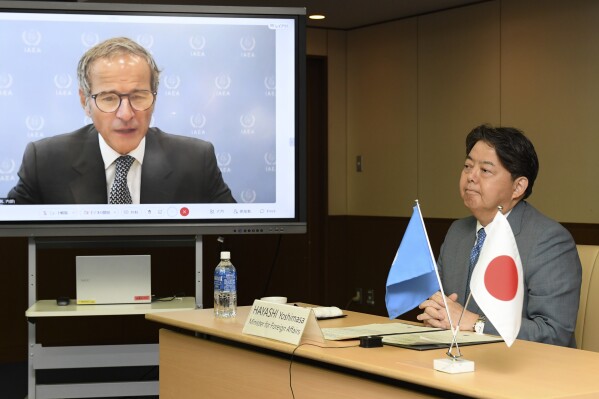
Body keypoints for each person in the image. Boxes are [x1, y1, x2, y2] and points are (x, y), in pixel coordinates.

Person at [8, 37, 235, 204]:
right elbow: (11, 245)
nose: (125, 114)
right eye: (108, 98)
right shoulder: (44, 161)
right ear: (85, 102)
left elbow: (237, 246)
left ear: (154, 98)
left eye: (138, 97)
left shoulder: (196, 160)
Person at [417, 124, 581, 347]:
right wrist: (436, 315)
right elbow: (447, 310)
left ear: (518, 187)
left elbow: (553, 333)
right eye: (467, 166)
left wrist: (475, 323)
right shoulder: (457, 232)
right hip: (457, 364)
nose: (470, 177)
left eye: (485, 170)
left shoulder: (549, 241)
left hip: (524, 371)